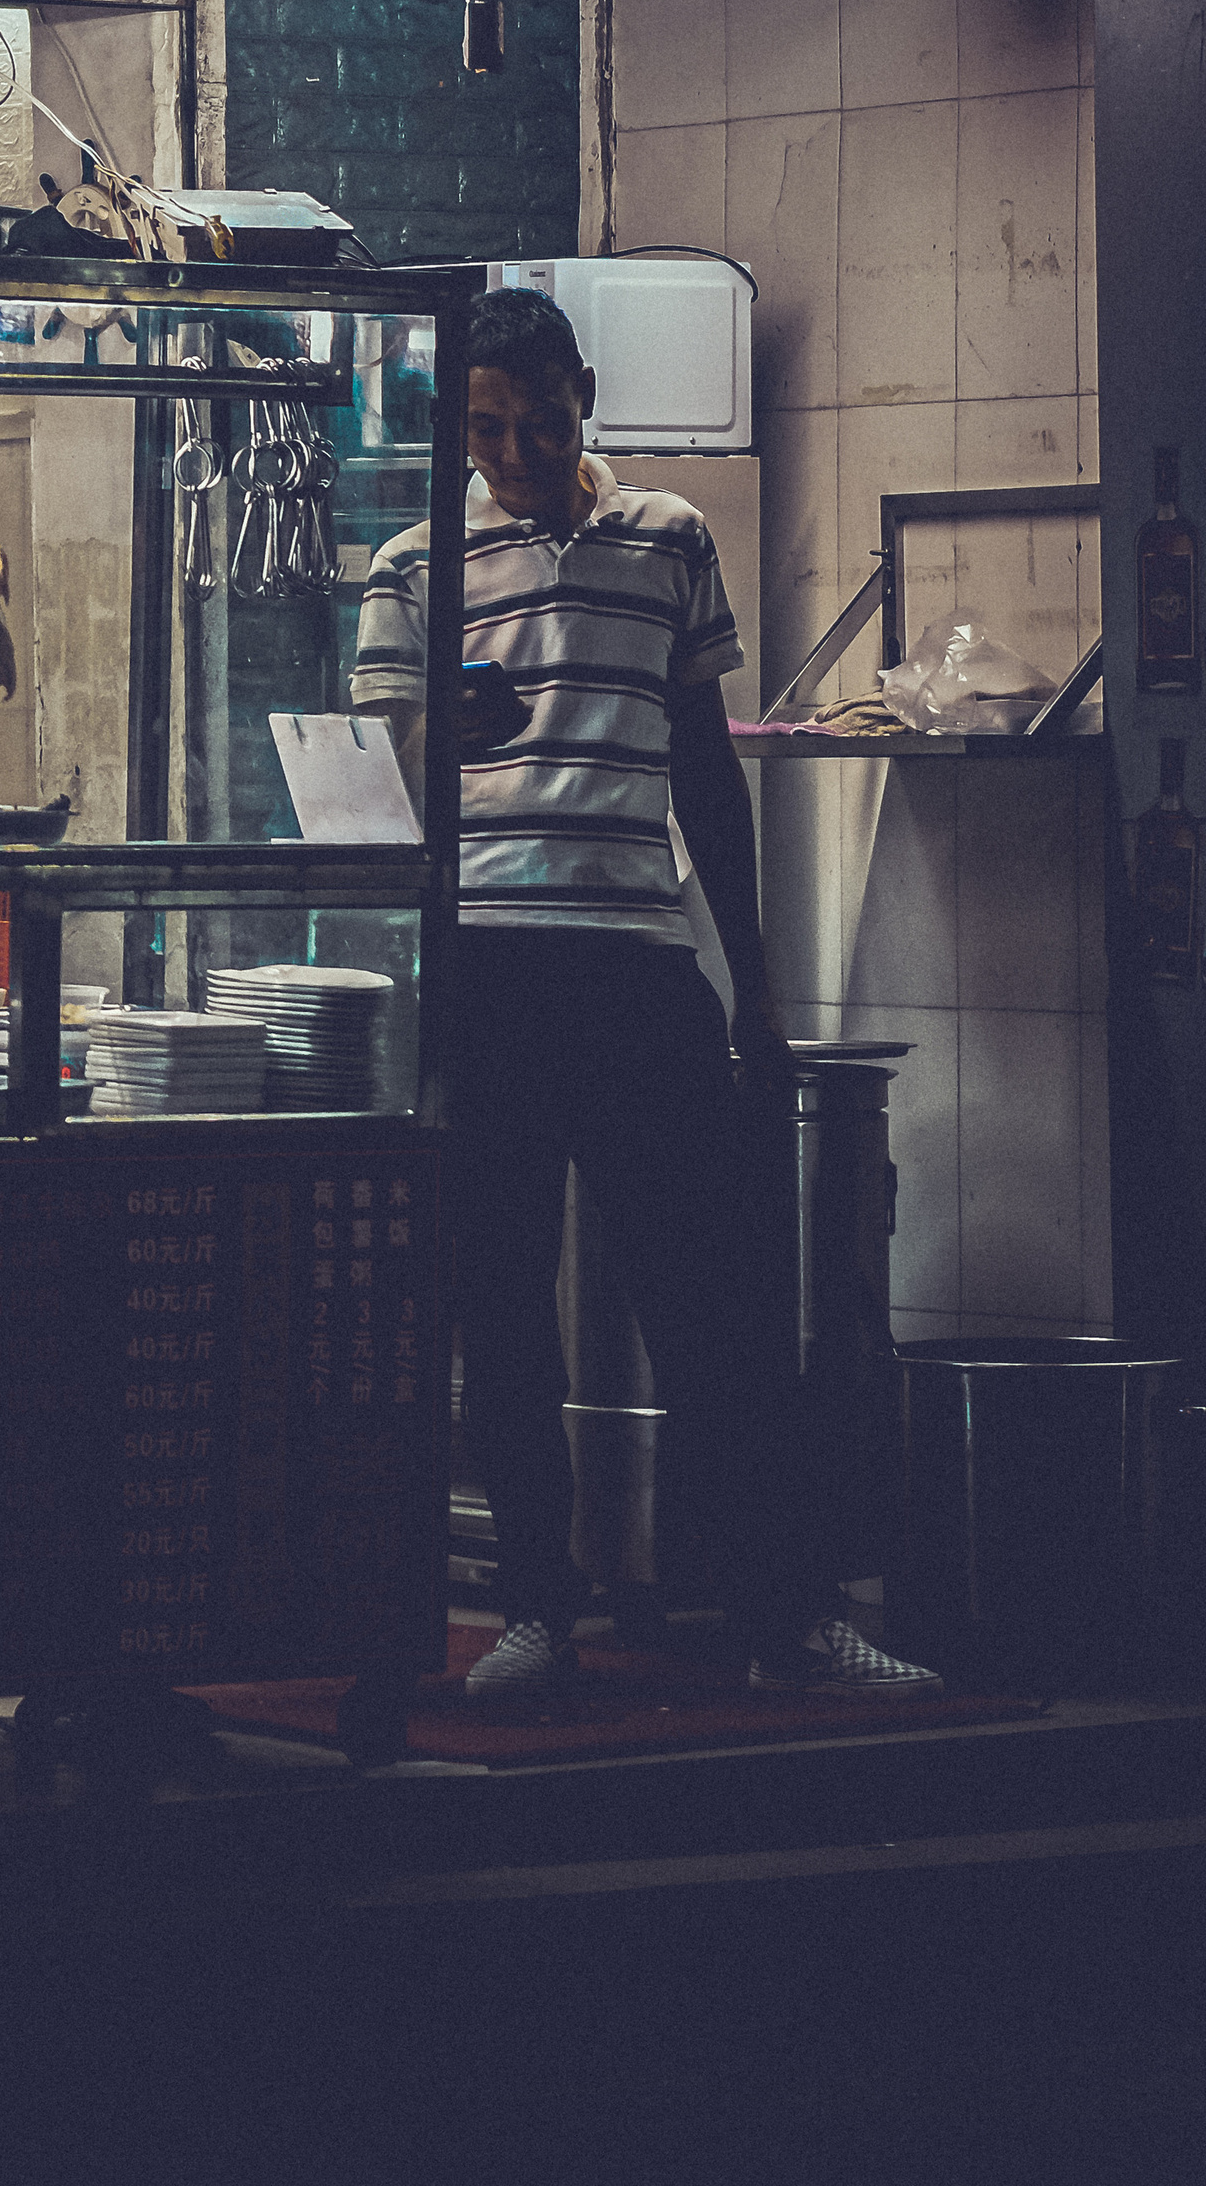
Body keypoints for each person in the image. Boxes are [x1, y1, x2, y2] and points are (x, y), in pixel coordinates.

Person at [354, 284, 942, 1699]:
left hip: (636, 962)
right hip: (485, 970)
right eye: (485, 430)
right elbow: (377, 794)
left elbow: (703, 773)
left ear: (585, 399)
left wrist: (756, 990)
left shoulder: (668, 541)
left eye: (538, 423)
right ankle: (537, 1609)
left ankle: (782, 1612)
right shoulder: (413, 569)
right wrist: (451, 737)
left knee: (723, 1305)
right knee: (500, 1307)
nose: (514, 453)